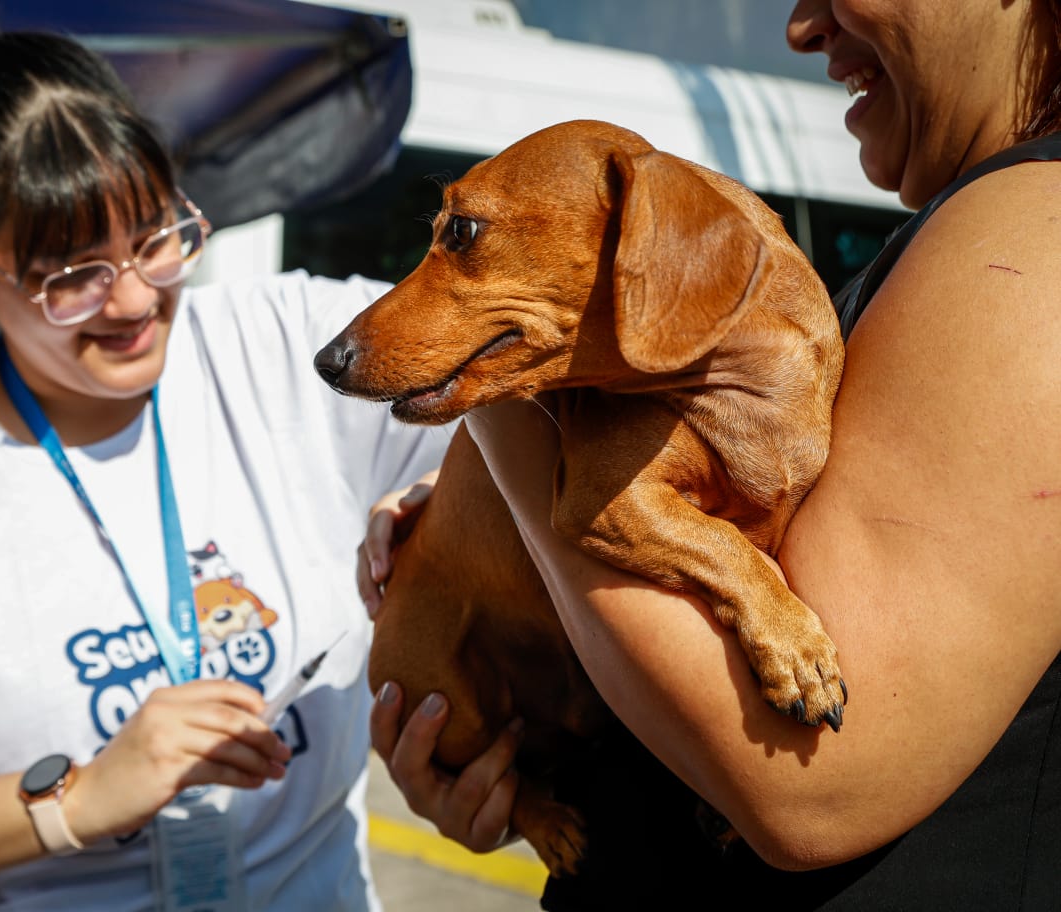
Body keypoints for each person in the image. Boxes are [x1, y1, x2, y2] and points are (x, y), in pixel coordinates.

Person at [0, 26, 445, 911]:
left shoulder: (281, 347)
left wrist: (451, 500)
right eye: (72, 274)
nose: (137, 299)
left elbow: (531, 393)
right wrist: (75, 801)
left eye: (155, 238)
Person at [363, 0, 1061, 907]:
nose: (801, 27)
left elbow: (813, 787)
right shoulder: (962, 230)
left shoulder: (1031, 237)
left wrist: (499, 409)